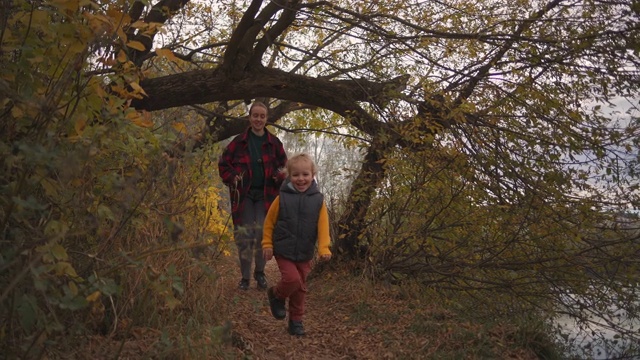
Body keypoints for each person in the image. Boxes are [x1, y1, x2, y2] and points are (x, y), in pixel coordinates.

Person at [218, 101, 288, 291]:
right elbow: (223, 165)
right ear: (249, 118)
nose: (258, 119)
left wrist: (278, 175)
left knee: (262, 234)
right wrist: (234, 178)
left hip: (267, 195)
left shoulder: (274, 143)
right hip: (244, 195)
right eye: (255, 115)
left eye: (262, 116)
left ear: (267, 119)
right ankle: (245, 278)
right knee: (245, 235)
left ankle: (260, 273)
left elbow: (285, 167)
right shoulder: (238, 142)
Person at [262, 153, 332, 336]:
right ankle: (276, 295)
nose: (301, 179)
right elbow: (269, 222)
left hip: (305, 251)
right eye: (296, 175)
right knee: (292, 279)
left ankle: (296, 321)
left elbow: (323, 226)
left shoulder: (318, 200)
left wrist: (324, 247)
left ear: (313, 175)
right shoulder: (282, 198)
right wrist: (267, 244)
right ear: (289, 176)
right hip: (283, 249)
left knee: (300, 289)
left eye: (305, 174)